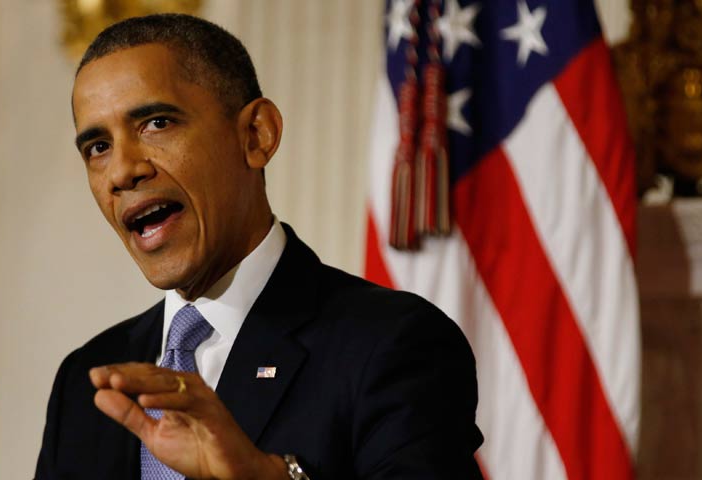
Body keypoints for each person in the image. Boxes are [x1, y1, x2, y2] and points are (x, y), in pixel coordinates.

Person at [35, 13, 483, 480]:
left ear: (256, 135)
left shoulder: (390, 344)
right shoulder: (85, 380)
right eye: (97, 147)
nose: (122, 171)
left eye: (156, 122)